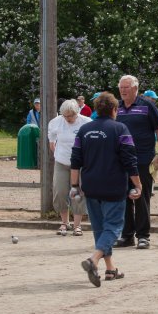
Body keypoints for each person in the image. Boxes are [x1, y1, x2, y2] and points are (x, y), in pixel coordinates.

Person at [71, 92, 142, 287]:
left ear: (96, 109)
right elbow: (130, 159)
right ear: (114, 110)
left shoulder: (84, 130)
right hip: (113, 186)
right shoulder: (120, 129)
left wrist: (74, 186)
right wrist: (137, 184)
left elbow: (75, 160)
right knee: (113, 227)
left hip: (90, 186)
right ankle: (93, 260)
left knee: (100, 228)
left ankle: (110, 269)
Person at [114, 75, 158, 249]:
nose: (123, 90)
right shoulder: (117, 107)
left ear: (135, 89)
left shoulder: (147, 105)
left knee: (141, 197)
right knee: (124, 197)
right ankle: (127, 235)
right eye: (121, 87)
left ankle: (143, 236)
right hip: (121, 160)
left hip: (143, 159)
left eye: (126, 87)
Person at [48, 99, 91, 236]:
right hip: (61, 162)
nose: (68, 119)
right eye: (65, 116)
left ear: (77, 112)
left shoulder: (87, 122)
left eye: (71, 116)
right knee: (60, 191)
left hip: (80, 164)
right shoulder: (55, 122)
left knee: (78, 193)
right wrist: (58, 153)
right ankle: (64, 222)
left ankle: (77, 225)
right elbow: (52, 141)